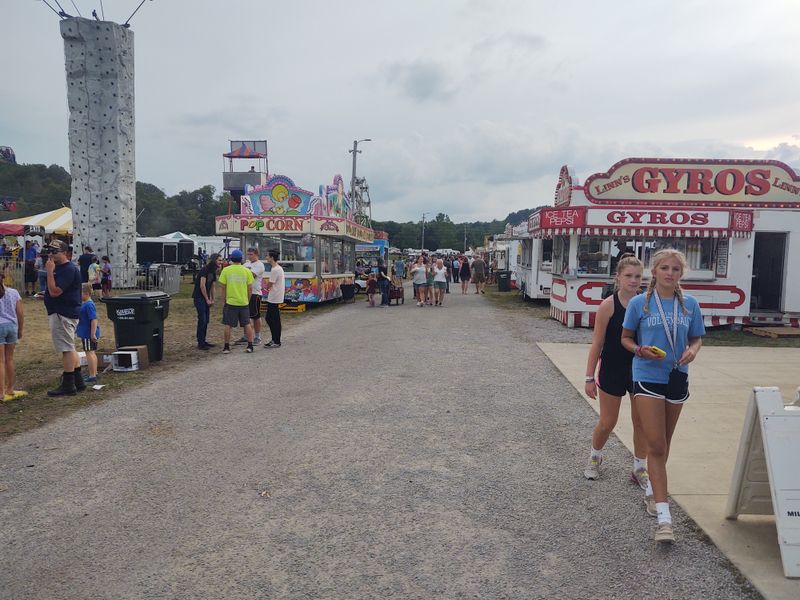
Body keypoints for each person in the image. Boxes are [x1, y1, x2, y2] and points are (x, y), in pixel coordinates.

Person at [622, 248, 705, 544]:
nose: (670, 273)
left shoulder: (690, 305)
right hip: (647, 375)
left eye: (675, 269)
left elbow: (696, 338)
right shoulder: (639, 303)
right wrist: (639, 349)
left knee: (664, 443)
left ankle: (651, 490)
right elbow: (625, 338)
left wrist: (692, 351)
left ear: (681, 274)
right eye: (665, 268)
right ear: (654, 271)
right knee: (656, 444)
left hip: (677, 376)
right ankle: (664, 519)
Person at [583, 256, 650, 497]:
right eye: (628, 275)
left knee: (641, 422)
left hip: (640, 370)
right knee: (607, 422)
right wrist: (589, 377)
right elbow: (597, 343)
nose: (633, 280)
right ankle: (595, 456)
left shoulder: (647, 304)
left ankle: (639, 468)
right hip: (612, 368)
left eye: (638, 276)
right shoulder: (608, 305)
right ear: (618, 277)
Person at [43, 239, 85, 396]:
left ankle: (68, 384)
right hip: (62, 310)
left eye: (55, 251)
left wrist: (49, 272)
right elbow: (54, 291)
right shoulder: (60, 268)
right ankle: (78, 381)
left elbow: (55, 292)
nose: (51, 254)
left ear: (65, 253)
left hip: (63, 313)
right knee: (70, 346)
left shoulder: (68, 269)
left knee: (66, 349)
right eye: (49, 251)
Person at [219, 249, 255, 354]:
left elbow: (223, 287)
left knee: (228, 324)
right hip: (243, 301)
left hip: (230, 302)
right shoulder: (247, 271)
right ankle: (250, 345)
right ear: (241, 259)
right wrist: (247, 299)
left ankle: (226, 347)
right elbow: (250, 288)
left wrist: (223, 300)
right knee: (247, 324)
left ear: (231, 259)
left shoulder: (226, 270)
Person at [0, 275, 26, 401]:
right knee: (9, 359)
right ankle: (10, 388)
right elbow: (20, 313)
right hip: (12, 326)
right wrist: (20, 329)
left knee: (0, 361)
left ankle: (0, 392)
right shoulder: (13, 292)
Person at [192, 253, 222, 350]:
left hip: (206, 298)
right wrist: (207, 299)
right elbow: (202, 285)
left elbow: (212, 286)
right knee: (202, 319)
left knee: (206, 320)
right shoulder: (205, 270)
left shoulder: (213, 271)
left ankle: (204, 340)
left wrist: (212, 299)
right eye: (219, 260)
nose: (221, 262)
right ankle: (200, 342)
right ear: (214, 260)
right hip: (199, 297)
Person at [239, 248, 266, 345]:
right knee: (245, 315)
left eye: (251, 254)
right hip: (244, 293)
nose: (249, 256)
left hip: (255, 293)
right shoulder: (246, 264)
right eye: (248, 254)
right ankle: (246, 335)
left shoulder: (260, 265)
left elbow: (251, 276)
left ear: (256, 254)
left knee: (255, 316)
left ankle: (257, 337)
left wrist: (242, 273)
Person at [76, 283, 100, 383]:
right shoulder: (85, 303)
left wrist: (92, 333)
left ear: (86, 293)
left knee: (89, 353)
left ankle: (92, 375)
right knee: (91, 352)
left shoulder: (89, 305)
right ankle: (94, 372)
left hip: (88, 333)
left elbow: (94, 319)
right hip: (87, 332)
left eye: (80, 293)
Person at [263, 249, 284, 348]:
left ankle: (276, 340)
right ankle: (274, 339)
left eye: (267, 256)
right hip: (275, 296)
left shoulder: (275, 269)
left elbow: (270, 283)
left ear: (271, 258)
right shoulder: (277, 268)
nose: (266, 257)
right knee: (271, 318)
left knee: (272, 319)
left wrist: (265, 287)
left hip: (274, 297)